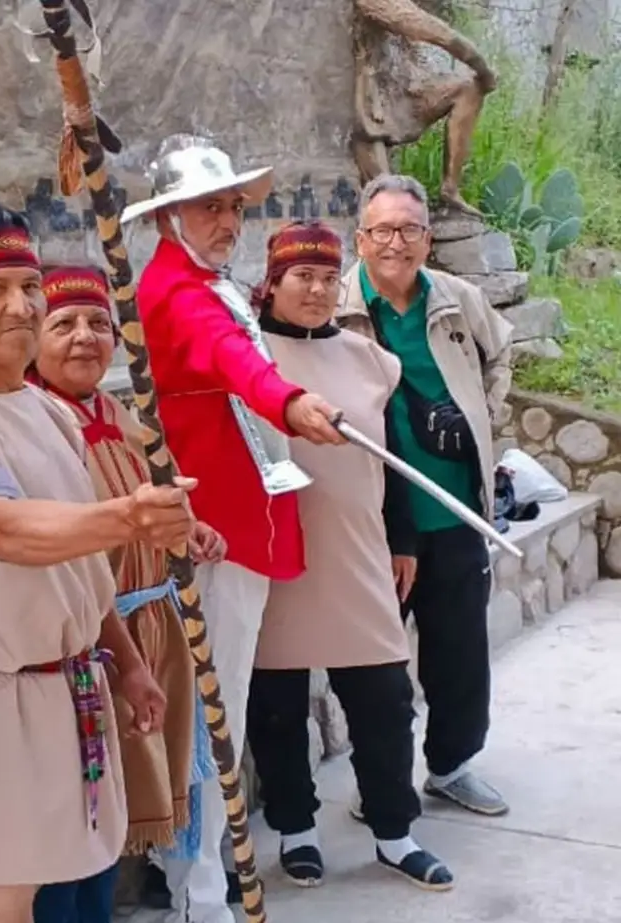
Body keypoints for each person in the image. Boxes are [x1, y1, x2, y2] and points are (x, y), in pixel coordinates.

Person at [0, 204, 196, 923]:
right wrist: (129, 515)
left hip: (69, 690)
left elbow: (74, 570)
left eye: (30, 285)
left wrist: (126, 660)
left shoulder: (42, 407)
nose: (22, 305)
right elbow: (8, 531)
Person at [119, 133, 345, 923]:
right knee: (211, 716)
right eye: (209, 207)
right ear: (166, 217)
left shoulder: (206, 283)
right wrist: (289, 402)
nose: (227, 220)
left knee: (223, 709)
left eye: (232, 205)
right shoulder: (177, 293)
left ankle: (199, 881)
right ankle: (198, 893)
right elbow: (234, 363)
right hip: (207, 530)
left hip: (237, 521)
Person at [244, 220, 454, 891]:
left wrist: (404, 539)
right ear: (273, 281)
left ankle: (395, 831)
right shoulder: (245, 354)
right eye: (301, 276)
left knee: (385, 700)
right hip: (275, 551)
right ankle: (297, 831)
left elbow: (393, 460)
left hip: (359, 549)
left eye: (329, 278)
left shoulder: (370, 359)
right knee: (276, 706)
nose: (316, 289)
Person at [28, 263, 228, 923]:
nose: (85, 337)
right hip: (83, 649)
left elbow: (149, 502)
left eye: (98, 324)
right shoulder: (32, 423)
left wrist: (189, 530)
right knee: (74, 820)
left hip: (147, 633)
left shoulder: (116, 411)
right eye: (63, 323)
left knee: (111, 814)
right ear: (32, 336)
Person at [336, 173, 514, 816]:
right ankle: (383, 785)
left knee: (460, 652)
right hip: (376, 521)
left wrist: (480, 417)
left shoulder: (458, 299)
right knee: (377, 670)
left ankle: (452, 765)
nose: (396, 243)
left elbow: (502, 355)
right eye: (382, 230)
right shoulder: (336, 310)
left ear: (427, 238)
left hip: (457, 507)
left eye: (409, 229)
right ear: (360, 239)